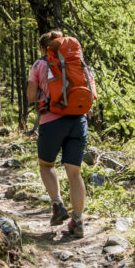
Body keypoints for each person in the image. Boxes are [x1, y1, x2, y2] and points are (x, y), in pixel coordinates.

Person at [26, 29, 88, 238]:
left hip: (52, 121)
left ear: (44, 48)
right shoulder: (78, 63)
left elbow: (31, 96)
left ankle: (57, 206)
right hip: (78, 121)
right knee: (74, 173)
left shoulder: (39, 64)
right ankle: (78, 221)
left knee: (46, 165)